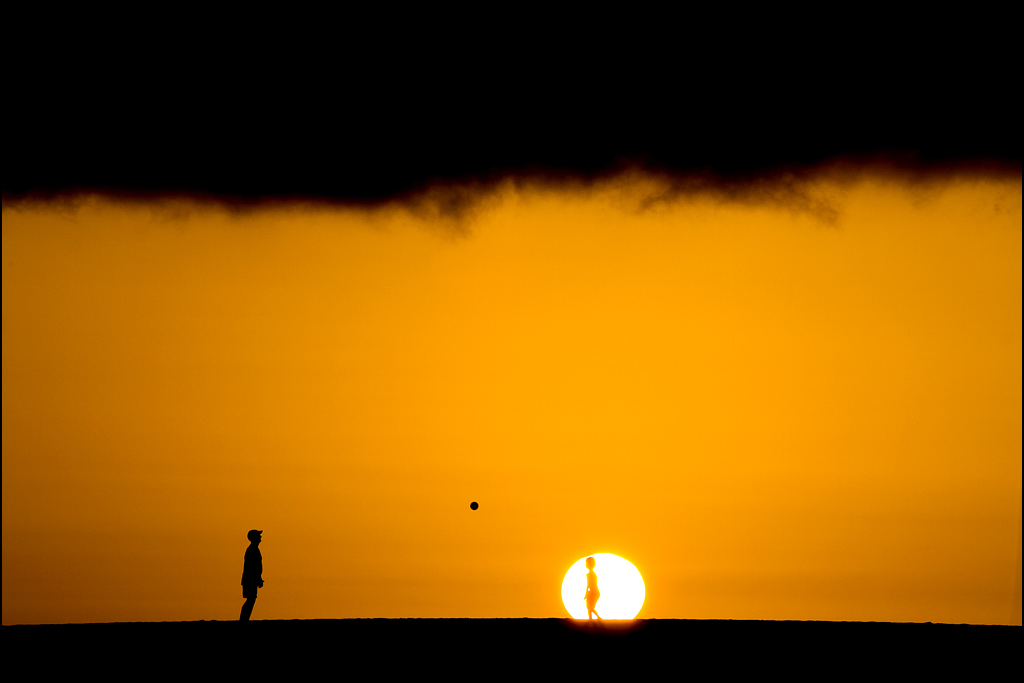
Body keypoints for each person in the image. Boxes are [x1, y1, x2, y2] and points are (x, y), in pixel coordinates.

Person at [240, 529, 264, 622]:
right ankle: (244, 620)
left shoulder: (253, 549)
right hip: (250, 580)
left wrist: (259, 578)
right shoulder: (252, 550)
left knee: (251, 599)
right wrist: (257, 578)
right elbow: (252, 567)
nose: (260, 537)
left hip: (250, 579)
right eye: (258, 535)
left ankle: (244, 619)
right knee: (251, 599)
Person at [584, 556, 602, 620]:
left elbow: (589, 585)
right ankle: (590, 619)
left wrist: (587, 594)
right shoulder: (591, 574)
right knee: (589, 607)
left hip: (593, 592)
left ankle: (598, 618)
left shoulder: (590, 574)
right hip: (593, 592)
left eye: (587, 563)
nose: (586, 564)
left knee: (590, 607)